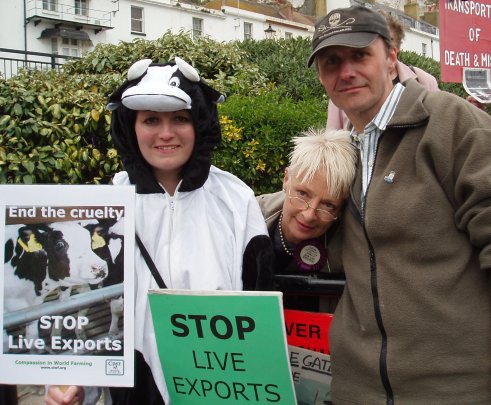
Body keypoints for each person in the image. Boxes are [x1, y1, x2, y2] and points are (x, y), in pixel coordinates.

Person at [45, 57, 272, 405]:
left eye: (180, 118)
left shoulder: (235, 199)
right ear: (130, 127)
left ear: (200, 123)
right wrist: (75, 384)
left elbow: (259, 304)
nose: (166, 134)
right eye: (150, 119)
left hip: (218, 391)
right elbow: (91, 310)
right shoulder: (105, 207)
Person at [308, 5, 491, 404]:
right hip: (356, 391)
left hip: (453, 389)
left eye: (360, 55)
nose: (346, 72)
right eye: (331, 62)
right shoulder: (344, 152)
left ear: (391, 58)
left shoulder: (450, 123)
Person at [257, 128, 356, 313]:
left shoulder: (352, 248)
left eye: (328, 205)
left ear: (341, 208)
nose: (309, 215)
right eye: (302, 194)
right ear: (286, 179)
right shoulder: (246, 218)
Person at [326, 11, 438, 130]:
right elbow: (333, 134)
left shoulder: (422, 79)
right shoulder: (344, 89)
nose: (383, 44)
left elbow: (437, 120)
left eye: (388, 39)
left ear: (396, 49)